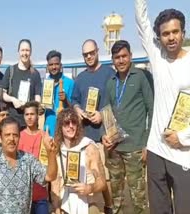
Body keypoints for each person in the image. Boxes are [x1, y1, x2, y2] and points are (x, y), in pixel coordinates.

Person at [135, 0, 190, 213]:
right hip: (157, 150)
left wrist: (183, 138)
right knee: (159, 209)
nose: (171, 37)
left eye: (175, 31)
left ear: (183, 32)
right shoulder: (157, 56)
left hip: (183, 152)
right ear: (159, 37)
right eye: (166, 33)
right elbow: (142, 22)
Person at [102, 40, 153, 214]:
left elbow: (151, 109)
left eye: (124, 56)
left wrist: (147, 142)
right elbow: (105, 112)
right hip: (114, 148)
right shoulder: (110, 82)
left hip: (135, 147)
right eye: (117, 57)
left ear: (130, 56)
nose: (121, 61)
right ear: (113, 60)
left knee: (138, 195)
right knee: (116, 195)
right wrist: (104, 136)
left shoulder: (141, 77)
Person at [72, 39, 115, 213]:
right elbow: (74, 100)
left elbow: (117, 100)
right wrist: (78, 110)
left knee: (105, 176)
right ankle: (92, 206)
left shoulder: (109, 73)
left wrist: (102, 115)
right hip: (85, 135)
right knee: (90, 175)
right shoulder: (80, 78)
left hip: (104, 135)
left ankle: (109, 206)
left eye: (91, 53)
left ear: (97, 51)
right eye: (85, 54)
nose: (89, 56)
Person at [50, 108, 106, 214]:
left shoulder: (89, 148)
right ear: (60, 127)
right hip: (66, 203)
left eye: (74, 122)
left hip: (88, 201)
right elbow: (55, 185)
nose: (71, 126)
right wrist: (57, 209)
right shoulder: (57, 151)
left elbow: (102, 182)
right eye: (66, 123)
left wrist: (90, 188)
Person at [2, 39, 42, 128]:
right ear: (18, 51)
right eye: (22, 50)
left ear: (31, 52)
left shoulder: (35, 73)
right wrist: (13, 100)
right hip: (13, 121)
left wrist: (34, 106)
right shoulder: (10, 70)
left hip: (29, 123)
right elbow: (3, 94)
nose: (25, 53)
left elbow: (37, 96)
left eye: (27, 50)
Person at [18, 101, 49, 214]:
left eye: (32, 114)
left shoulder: (44, 136)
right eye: (27, 114)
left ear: (37, 116)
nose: (29, 117)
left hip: (40, 194)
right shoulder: (18, 136)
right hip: (22, 195)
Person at [44, 50, 74, 137]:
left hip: (65, 129)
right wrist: (41, 110)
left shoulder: (70, 83)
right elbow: (43, 107)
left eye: (56, 64)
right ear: (47, 66)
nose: (54, 67)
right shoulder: (45, 84)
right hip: (49, 129)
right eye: (51, 65)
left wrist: (65, 100)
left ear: (61, 65)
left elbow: (74, 109)